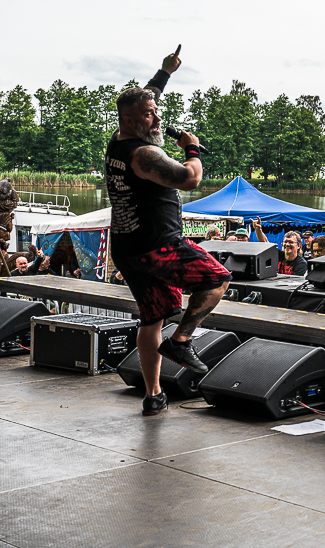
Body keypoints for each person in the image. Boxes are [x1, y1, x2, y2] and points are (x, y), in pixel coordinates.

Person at [105, 49, 231, 417]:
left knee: (152, 317)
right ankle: (181, 340)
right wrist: (191, 148)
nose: (157, 118)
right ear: (130, 120)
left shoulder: (119, 137)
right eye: (150, 115)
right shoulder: (142, 154)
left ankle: (154, 394)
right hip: (158, 246)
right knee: (217, 280)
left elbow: (145, 97)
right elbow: (189, 178)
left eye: (156, 111)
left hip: (127, 248)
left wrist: (164, 73)